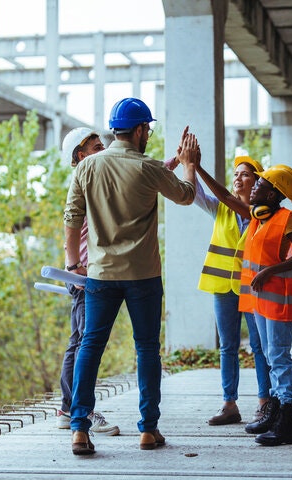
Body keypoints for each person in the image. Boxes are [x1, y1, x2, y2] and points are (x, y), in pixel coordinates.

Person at [63, 97, 198, 455]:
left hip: (100, 275)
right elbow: (185, 196)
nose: (148, 135)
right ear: (139, 130)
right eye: (148, 129)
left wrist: (74, 263)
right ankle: (148, 430)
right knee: (147, 349)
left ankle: (79, 428)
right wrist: (189, 165)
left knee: (90, 346)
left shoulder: (87, 168)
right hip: (143, 275)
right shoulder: (147, 167)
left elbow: (72, 217)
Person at [183, 155, 272, 426]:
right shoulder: (220, 209)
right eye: (236, 174)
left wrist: (197, 165)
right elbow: (194, 193)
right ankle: (229, 404)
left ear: (257, 182)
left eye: (245, 174)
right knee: (228, 347)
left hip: (253, 289)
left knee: (259, 346)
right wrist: (188, 165)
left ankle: (265, 402)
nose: (237, 178)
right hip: (224, 287)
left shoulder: (262, 213)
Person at [238, 164, 292, 446]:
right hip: (261, 301)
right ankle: (275, 413)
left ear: (272, 195)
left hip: (279, 300)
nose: (254, 186)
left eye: (261, 184)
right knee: (271, 357)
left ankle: (288, 425)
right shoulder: (260, 219)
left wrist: (270, 271)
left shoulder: (286, 219)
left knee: (279, 357)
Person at [55, 127, 119, 436]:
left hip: (80, 271)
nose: (103, 150)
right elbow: (71, 226)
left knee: (78, 342)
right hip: (82, 274)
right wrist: (74, 267)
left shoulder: (89, 180)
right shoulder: (86, 182)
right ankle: (81, 410)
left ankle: (69, 408)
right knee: (84, 345)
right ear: (82, 155)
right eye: (97, 147)